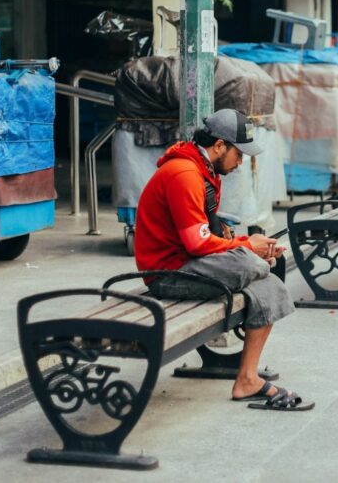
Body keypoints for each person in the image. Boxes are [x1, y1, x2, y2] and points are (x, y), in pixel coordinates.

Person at [134, 108, 313, 412]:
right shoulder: (184, 174)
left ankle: (247, 379)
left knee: (271, 287)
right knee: (252, 265)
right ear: (219, 145)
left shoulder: (203, 170)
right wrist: (247, 247)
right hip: (168, 274)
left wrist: (245, 247)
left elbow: (205, 237)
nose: (240, 162)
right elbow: (197, 243)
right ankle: (253, 260)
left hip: (192, 264)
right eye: (238, 154)